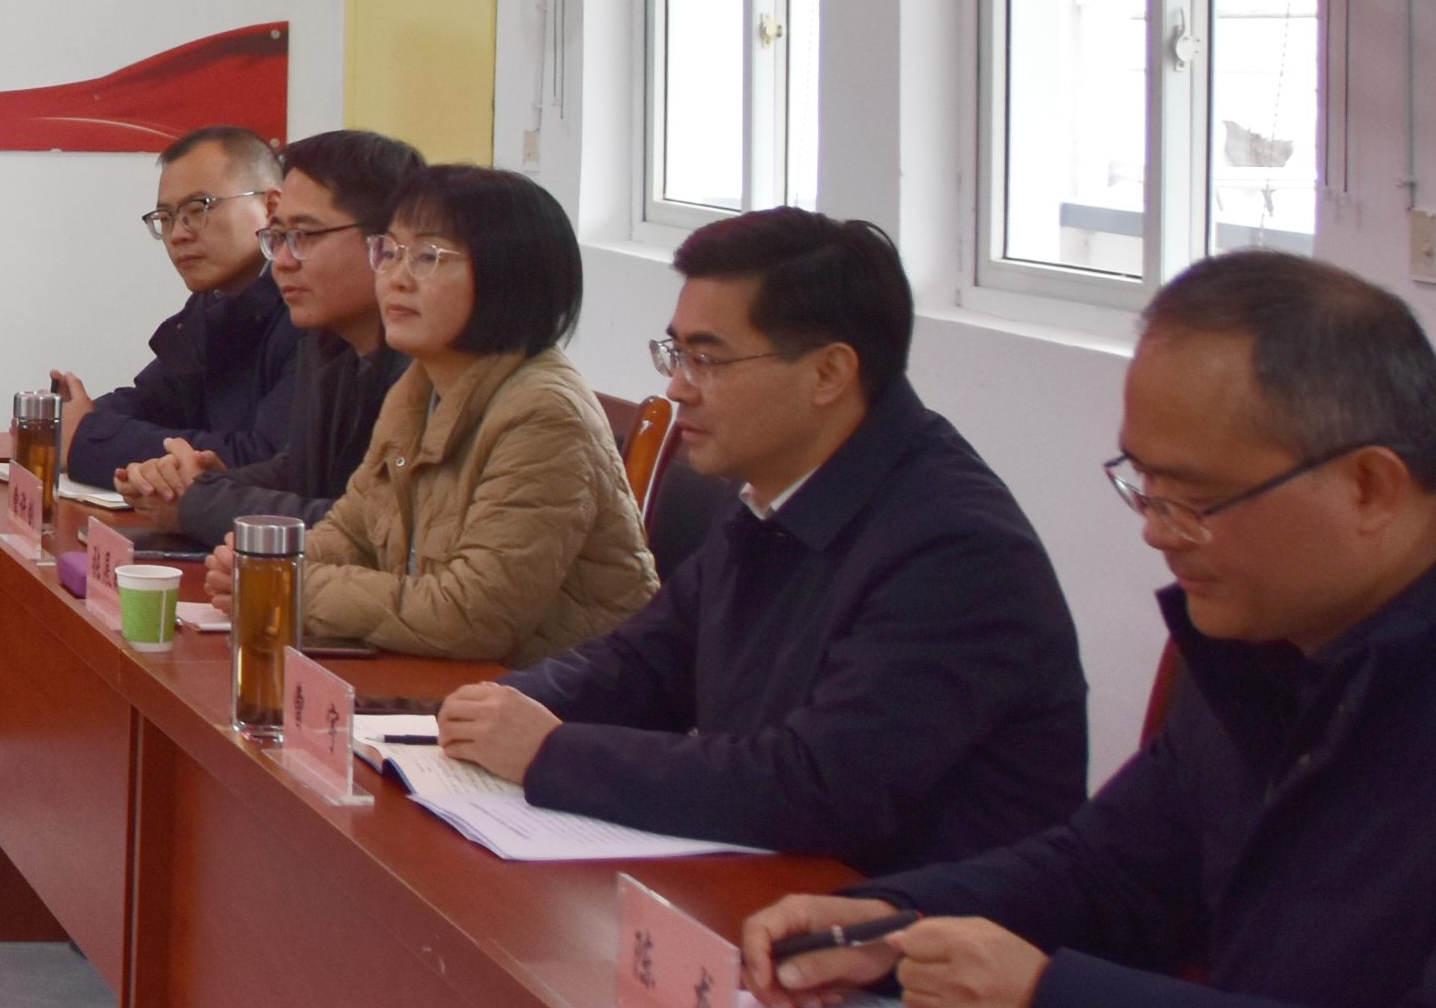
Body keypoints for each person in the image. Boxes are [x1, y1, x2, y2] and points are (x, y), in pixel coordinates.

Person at [744, 252, 1436, 1008]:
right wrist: (890, 923)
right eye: (1141, 484)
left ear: (1368, 487)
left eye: (1194, 499)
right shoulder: (1267, 642)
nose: (1155, 530)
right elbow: (1111, 873)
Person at [437, 211, 1085, 870]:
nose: (677, 387)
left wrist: (551, 753)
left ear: (829, 373)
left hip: (897, 915)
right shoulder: (772, 485)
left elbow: (815, 785)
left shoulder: (955, 548)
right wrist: (498, 708)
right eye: (675, 354)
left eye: (706, 360)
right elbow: (648, 662)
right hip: (767, 880)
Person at [215, 166, 652, 666]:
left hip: (556, 698)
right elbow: (353, 532)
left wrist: (291, 586)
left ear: (507, 276)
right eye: (390, 252)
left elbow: (473, 616)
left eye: (427, 257)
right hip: (455, 680)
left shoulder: (545, 415)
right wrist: (263, 565)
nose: (396, 278)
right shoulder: (419, 386)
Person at [117, 130, 420, 547]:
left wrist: (199, 502)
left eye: (304, 236)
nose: (282, 263)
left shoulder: (429, 367)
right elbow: (299, 470)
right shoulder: (329, 345)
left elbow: (374, 528)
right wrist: (195, 482)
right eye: (278, 238)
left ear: (385, 244)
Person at [54, 126, 301, 491]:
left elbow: (263, 460)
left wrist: (85, 437)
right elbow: (152, 402)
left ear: (271, 208)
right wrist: (65, 421)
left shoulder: (308, 309)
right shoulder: (213, 305)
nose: (178, 234)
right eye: (166, 217)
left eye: (199, 208)